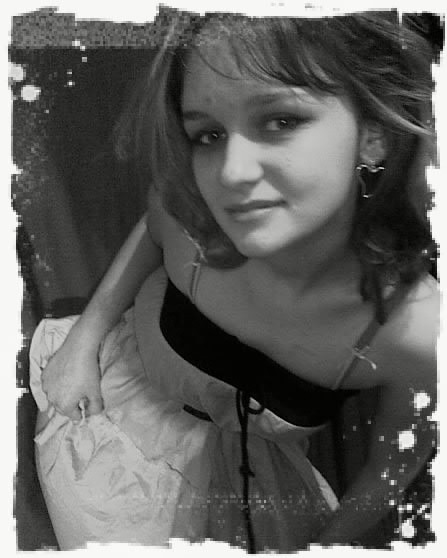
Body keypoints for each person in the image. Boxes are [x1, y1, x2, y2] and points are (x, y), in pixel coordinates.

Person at [29, 9, 438, 552]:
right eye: (209, 134)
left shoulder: (418, 336)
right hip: (109, 428)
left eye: (282, 120)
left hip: (260, 498)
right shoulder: (194, 216)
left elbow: (394, 464)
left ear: (374, 137)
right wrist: (83, 340)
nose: (230, 173)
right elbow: (156, 224)